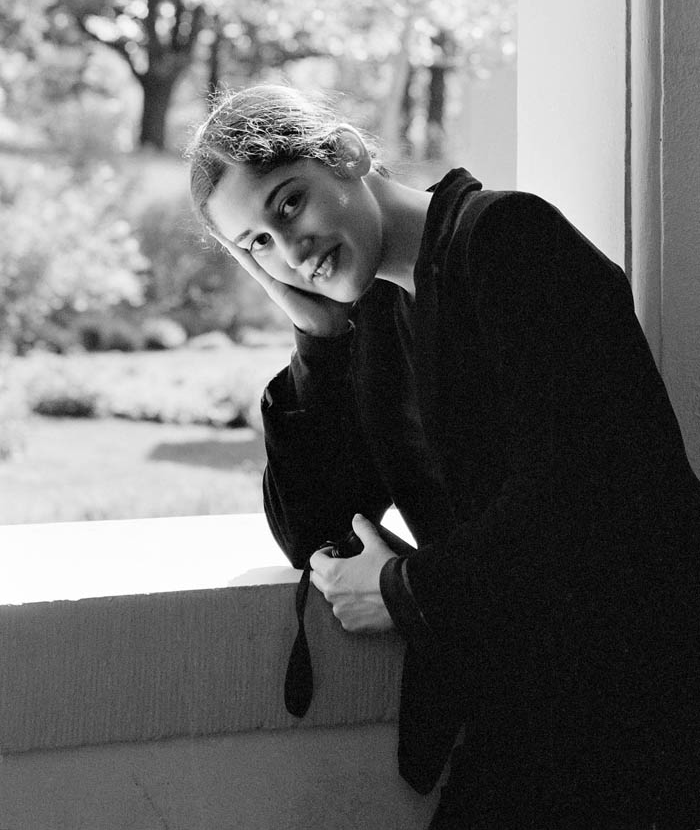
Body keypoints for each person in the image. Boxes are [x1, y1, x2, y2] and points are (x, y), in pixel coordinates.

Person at [188, 83, 700, 829]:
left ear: (348, 154)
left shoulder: (510, 240)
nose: (290, 251)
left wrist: (402, 590)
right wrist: (317, 341)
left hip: (649, 701)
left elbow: (587, 499)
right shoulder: (381, 313)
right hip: (537, 709)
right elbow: (314, 527)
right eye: (257, 244)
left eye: (289, 204)